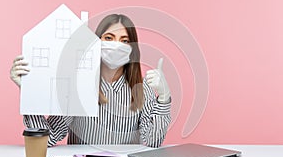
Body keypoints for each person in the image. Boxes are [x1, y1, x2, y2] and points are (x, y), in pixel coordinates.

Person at [10, 14, 171, 148]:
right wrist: (28, 93)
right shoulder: (76, 88)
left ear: (132, 49)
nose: (116, 45)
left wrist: (164, 98)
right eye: (109, 38)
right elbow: (47, 138)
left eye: (124, 41)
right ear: (95, 42)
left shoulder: (143, 90)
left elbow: (152, 142)